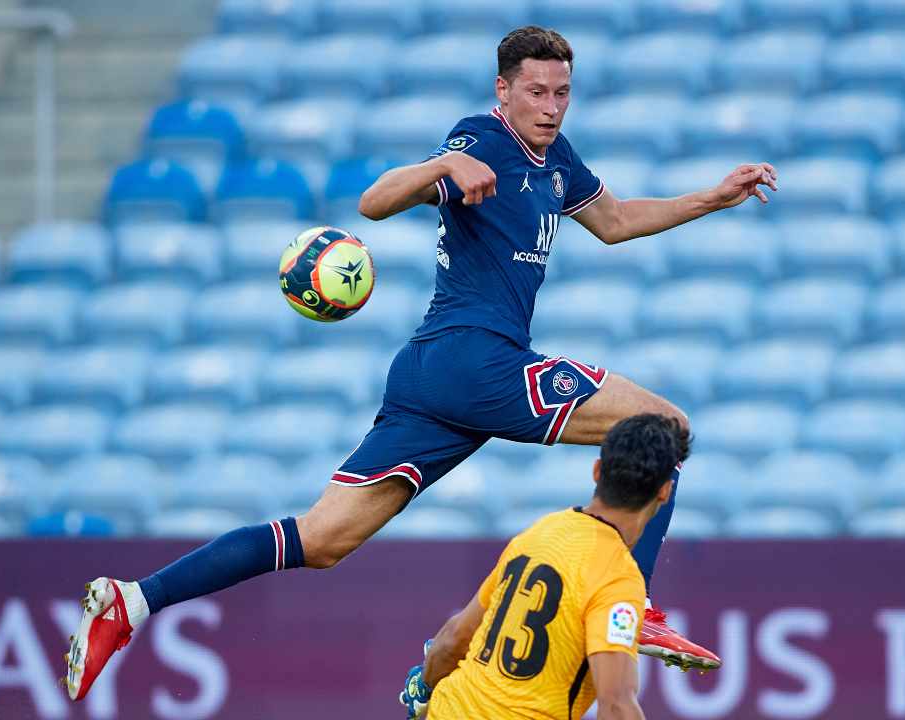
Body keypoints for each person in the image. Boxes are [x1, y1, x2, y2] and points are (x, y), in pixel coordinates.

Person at [62, 25, 775, 701]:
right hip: (477, 362)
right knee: (665, 428)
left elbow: (615, 222)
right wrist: (443, 164)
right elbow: (374, 203)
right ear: (504, 91)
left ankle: (132, 599)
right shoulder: (482, 138)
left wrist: (712, 198)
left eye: (562, 93)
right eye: (537, 92)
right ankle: (633, 609)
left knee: (322, 540)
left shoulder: (556, 159)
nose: (551, 108)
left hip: (434, 378)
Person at [400, 414, 698, 720]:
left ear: (597, 471)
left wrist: (423, 686)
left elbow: (454, 639)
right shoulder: (618, 581)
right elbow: (616, 705)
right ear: (664, 491)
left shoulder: (541, 532)